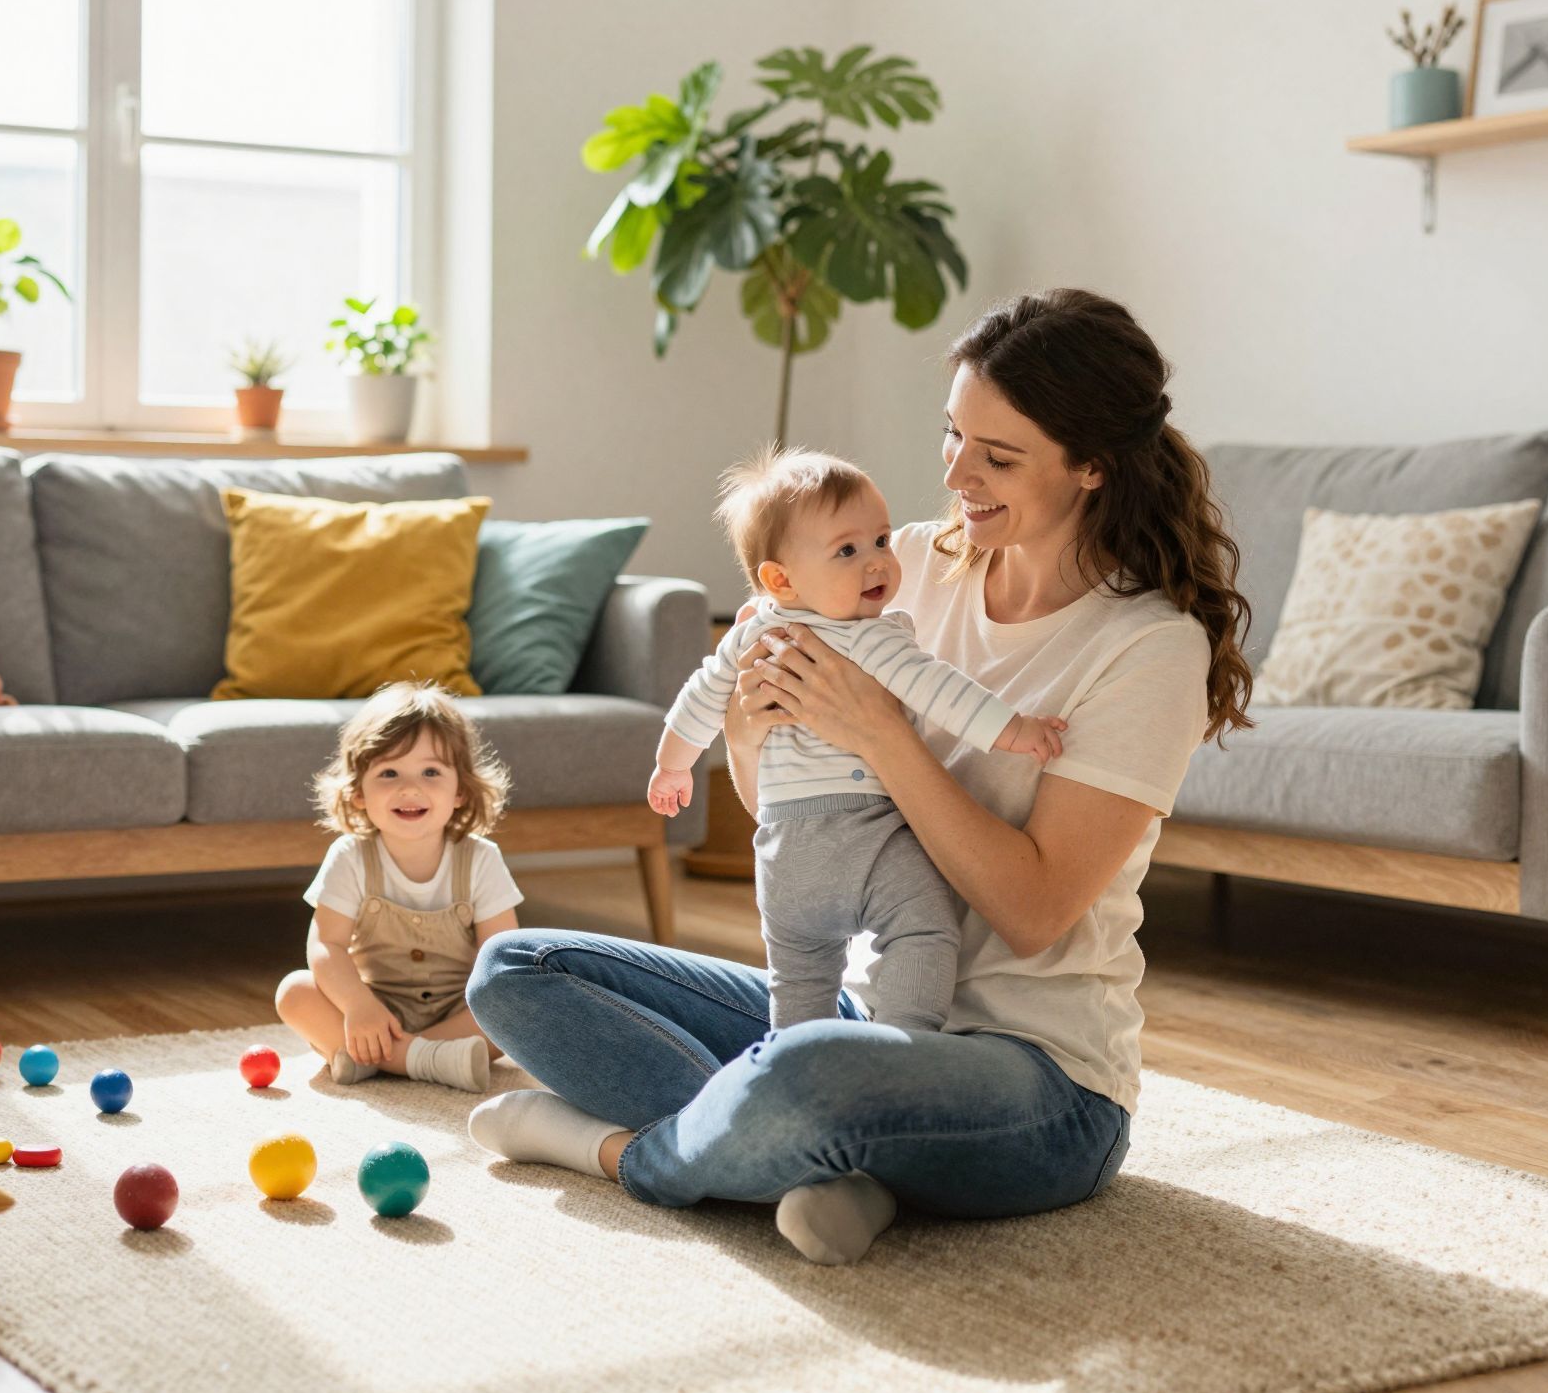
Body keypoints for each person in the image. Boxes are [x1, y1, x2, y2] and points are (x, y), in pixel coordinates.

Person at [467, 288, 1253, 1265]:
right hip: (865, 1013)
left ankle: (625, 1154)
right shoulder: (900, 567)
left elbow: (1035, 908)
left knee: (808, 1072)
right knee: (516, 970)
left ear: (1091, 466)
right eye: (950, 434)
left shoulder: (1144, 647)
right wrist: (751, 729)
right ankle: (840, 1174)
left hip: (1040, 1089)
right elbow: (793, 816)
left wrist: (884, 735)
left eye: (997, 456)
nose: (956, 473)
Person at [650, 443, 1065, 1031]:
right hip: (870, 837)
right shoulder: (871, 639)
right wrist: (1014, 729)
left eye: (881, 541)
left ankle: (793, 1057)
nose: (876, 563)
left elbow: (699, 697)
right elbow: (941, 689)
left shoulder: (752, 636)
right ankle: (904, 1041)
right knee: (923, 931)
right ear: (779, 578)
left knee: (798, 979)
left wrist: (672, 766)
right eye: (847, 550)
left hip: (783, 852)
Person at [274, 682, 523, 1093]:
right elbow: (326, 946)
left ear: (460, 790)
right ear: (357, 792)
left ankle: (376, 1060)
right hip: (375, 1008)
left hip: (458, 1011)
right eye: (389, 773)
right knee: (294, 992)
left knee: (520, 1006)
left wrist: (492, 1010)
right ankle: (425, 1061)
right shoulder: (350, 856)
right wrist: (358, 1006)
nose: (410, 789)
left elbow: (501, 957)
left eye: (430, 772)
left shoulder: (481, 858)